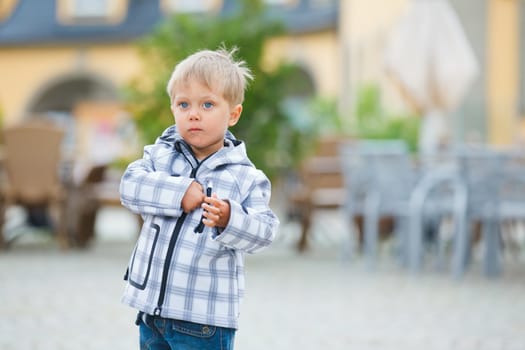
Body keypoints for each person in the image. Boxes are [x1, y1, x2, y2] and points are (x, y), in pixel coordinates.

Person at [119, 47, 279, 350]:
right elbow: (129, 186)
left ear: (233, 113)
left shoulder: (245, 176)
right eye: (184, 104)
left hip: (203, 320)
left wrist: (230, 218)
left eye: (207, 104)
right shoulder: (160, 156)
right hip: (152, 313)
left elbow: (266, 231)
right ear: (173, 109)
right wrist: (179, 192)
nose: (194, 113)